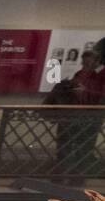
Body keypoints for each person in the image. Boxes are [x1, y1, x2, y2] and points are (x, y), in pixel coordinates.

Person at [45, 47, 105, 180]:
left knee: (82, 148)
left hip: (90, 117)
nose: (85, 67)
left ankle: (77, 177)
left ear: (97, 62)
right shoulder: (80, 74)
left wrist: (86, 92)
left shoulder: (102, 75)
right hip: (72, 115)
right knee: (65, 145)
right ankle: (62, 173)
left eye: (88, 64)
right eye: (84, 64)